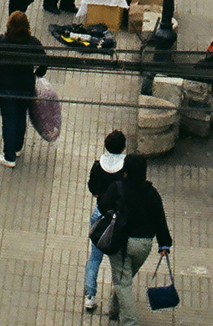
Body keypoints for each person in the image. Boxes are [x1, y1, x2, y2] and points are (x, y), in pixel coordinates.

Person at [100, 154, 172, 326]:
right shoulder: (152, 194)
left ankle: (129, 322)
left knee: (123, 283)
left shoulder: (117, 188)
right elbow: (160, 220)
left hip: (121, 243)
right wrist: (164, 244)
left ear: (125, 171)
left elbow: (103, 205)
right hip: (143, 245)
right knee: (125, 277)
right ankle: (114, 309)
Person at [0, 10, 47, 168]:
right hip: (26, 86)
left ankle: (9, 156)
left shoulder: (2, 40)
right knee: (21, 117)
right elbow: (44, 62)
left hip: (6, 87)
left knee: (9, 121)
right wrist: (36, 74)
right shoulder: (33, 43)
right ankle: (18, 147)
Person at [83, 130, 127, 311]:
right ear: (123, 147)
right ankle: (116, 302)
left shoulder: (97, 165)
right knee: (119, 262)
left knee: (94, 258)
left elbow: (92, 188)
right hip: (120, 221)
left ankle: (89, 296)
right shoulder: (126, 168)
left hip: (100, 215)